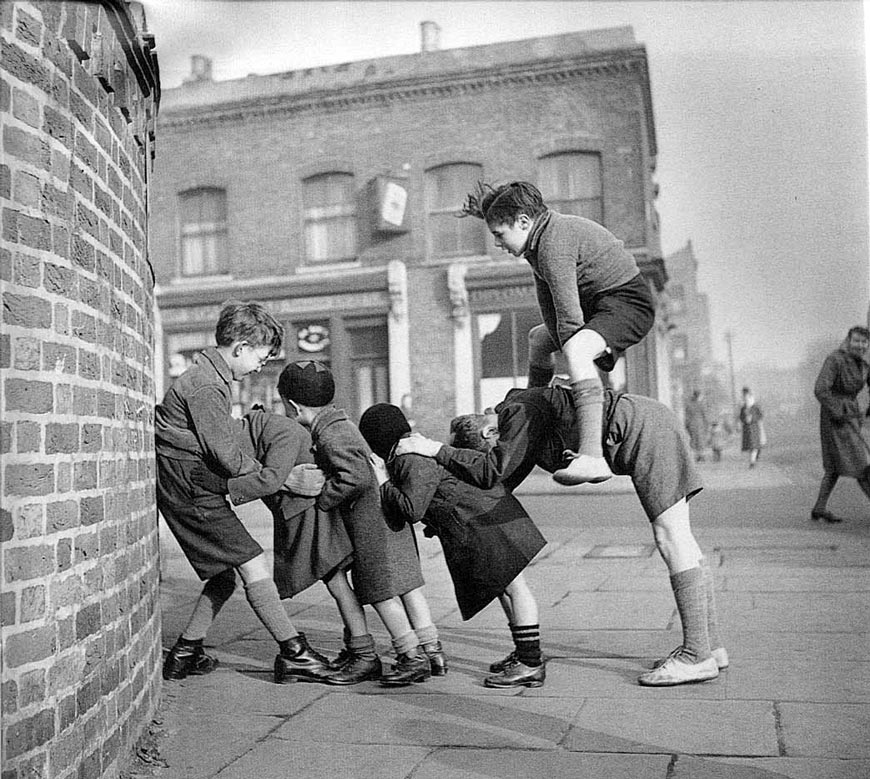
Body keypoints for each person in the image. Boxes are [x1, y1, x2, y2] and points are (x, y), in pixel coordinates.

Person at [396, 384, 728, 686]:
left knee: (671, 537)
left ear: (489, 431)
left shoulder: (515, 412)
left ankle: (696, 656)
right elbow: (500, 482)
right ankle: (708, 648)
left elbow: (491, 473)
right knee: (682, 537)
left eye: (488, 448)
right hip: (648, 419)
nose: (497, 450)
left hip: (641, 428)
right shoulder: (522, 410)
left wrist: (434, 449)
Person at [156, 301, 333, 683]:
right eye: (260, 356)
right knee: (253, 564)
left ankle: (185, 653)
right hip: (192, 488)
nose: (260, 365)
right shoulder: (205, 385)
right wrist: (279, 477)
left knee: (225, 576)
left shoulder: (207, 376)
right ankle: (294, 651)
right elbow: (228, 456)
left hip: (188, 482)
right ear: (239, 347)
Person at [459, 180, 655, 486]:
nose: (498, 243)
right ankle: (533, 414)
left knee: (576, 348)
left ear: (524, 222)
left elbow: (568, 317)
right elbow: (550, 311)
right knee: (538, 338)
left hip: (627, 302)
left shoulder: (553, 243)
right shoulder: (537, 244)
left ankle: (592, 456)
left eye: (499, 234)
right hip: (600, 305)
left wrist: (584, 369)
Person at [359, 404, 548, 688]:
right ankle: (525, 653)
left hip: (488, 525)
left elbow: (411, 509)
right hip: (488, 520)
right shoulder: (411, 451)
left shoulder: (410, 458)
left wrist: (385, 483)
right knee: (506, 590)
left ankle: (530, 663)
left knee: (515, 588)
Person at [187, 404, 378, 684]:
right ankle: (358, 650)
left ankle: (365, 654)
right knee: (336, 581)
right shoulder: (264, 427)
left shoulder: (278, 430)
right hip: (304, 515)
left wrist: (223, 485)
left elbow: (270, 479)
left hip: (310, 515)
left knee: (336, 580)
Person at [278, 361, 443, 686]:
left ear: (293, 405)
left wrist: (324, 497)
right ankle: (430, 651)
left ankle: (410, 657)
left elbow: (353, 477)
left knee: (380, 593)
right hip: (384, 521)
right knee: (405, 590)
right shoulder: (339, 424)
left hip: (372, 527)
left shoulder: (331, 434)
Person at [811, 325, 870, 523]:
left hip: (852, 415)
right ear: (848, 341)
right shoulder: (835, 359)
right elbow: (820, 389)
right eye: (857, 341)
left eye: (864, 342)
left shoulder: (862, 364)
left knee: (834, 467)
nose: (860, 345)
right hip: (835, 418)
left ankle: (819, 508)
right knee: (861, 465)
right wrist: (838, 410)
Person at [738, 386, 765, 468]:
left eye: (747, 397)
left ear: (750, 396)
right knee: (751, 446)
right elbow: (741, 417)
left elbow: (760, 417)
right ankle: (752, 460)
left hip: (754, 427)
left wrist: (752, 419)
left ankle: (752, 461)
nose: (746, 399)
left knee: (754, 445)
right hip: (747, 428)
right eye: (744, 397)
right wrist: (744, 420)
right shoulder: (743, 408)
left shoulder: (755, 407)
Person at [684, 390, 710, 462]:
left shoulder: (689, 405)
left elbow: (687, 416)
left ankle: (696, 456)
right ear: (698, 396)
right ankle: (701, 456)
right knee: (700, 440)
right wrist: (707, 424)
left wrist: (686, 425)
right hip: (700, 423)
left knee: (694, 440)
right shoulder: (701, 404)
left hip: (692, 424)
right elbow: (705, 415)